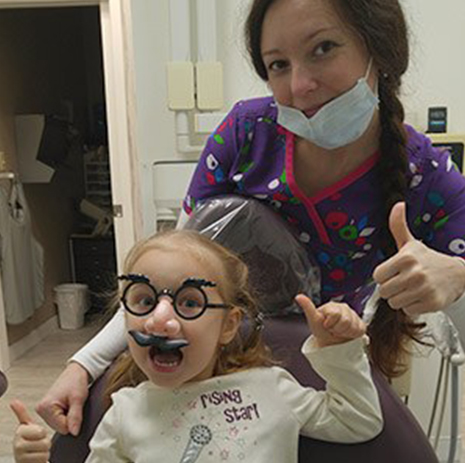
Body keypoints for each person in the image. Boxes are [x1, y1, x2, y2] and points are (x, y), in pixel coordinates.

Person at [36, 0, 465, 437]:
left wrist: (456, 275)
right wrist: (83, 365)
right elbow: (172, 278)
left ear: (383, 51)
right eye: (278, 64)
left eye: (323, 48)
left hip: (329, 375)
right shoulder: (246, 135)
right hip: (215, 370)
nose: (299, 85)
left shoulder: (425, 173)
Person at [13, 230, 382, 463]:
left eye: (190, 303)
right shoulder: (126, 412)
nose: (159, 320)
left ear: (228, 325)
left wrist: (339, 350)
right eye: (143, 301)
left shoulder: (270, 389)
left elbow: (358, 421)